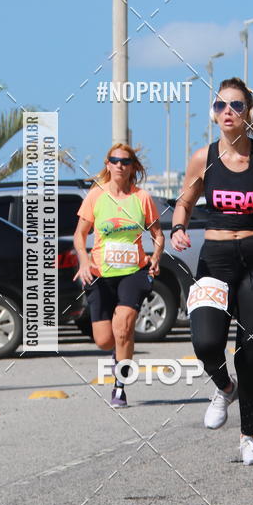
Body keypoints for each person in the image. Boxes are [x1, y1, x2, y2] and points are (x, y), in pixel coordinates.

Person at [171, 78, 253, 465]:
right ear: (214, 115)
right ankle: (224, 386)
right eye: (219, 105)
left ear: (250, 114)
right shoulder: (203, 157)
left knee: (251, 354)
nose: (227, 111)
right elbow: (185, 201)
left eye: (236, 105)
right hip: (214, 258)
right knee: (206, 342)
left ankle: (248, 438)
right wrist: (179, 228)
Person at [73, 144, 164, 407]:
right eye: (115, 160)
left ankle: (120, 386)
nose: (120, 165)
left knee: (123, 327)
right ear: (108, 164)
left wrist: (155, 258)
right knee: (104, 340)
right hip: (100, 272)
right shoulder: (95, 197)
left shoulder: (142, 198)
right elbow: (80, 235)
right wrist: (83, 261)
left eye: (125, 161)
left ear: (133, 166)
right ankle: (119, 349)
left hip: (133, 271)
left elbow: (158, 235)